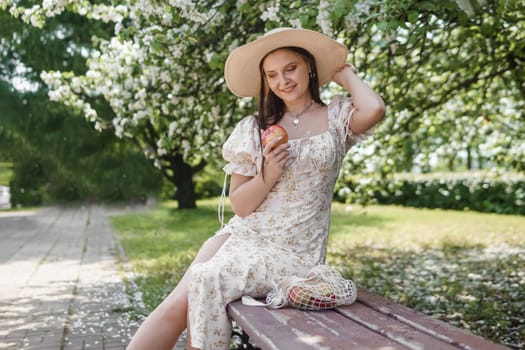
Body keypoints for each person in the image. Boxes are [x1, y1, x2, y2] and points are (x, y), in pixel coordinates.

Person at [127, 27, 385, 350]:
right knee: (179, 302)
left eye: (290, 69)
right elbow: (241, 206)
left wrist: (346, 76)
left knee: (206, 280)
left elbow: (375, 109)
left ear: (308, 66)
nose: (282, 81)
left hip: (295, 253)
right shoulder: (254, 128)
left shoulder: (336, 118)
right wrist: (269, 172)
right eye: (272, 74)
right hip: (245, 234)